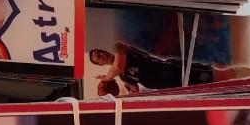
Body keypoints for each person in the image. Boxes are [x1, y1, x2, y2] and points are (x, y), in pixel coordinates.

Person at [88, 42, 233, 91]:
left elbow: (119, 65)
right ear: (100, 64)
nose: (102, 54)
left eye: (100, 52)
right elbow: (136, 90)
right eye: (98, 57)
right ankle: (236, 87)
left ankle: (243, 75)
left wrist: (107, 78)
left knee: (214, 74)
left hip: (171, 70)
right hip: (170, 86)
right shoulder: (122, 77)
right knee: (208, 86)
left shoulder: (118, 48)